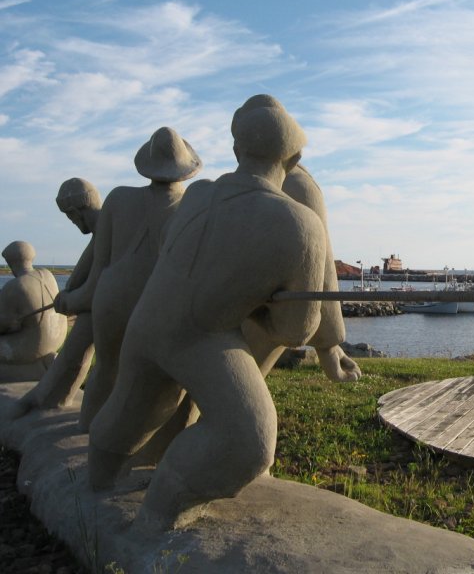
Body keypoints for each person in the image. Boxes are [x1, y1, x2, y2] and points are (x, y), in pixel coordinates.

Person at [88, 94, 355, 531]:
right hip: (201, 337)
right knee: (248, 439)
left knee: (131, 409)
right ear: (295, 157)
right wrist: (259, 306)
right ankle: (160, 511)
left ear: (236, 151)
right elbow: (295, 328)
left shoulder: (197, 193)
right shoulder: (300, 223)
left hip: (147, 321)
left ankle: (96, 482)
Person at [55, 127, 202, 431]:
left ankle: (88, 431)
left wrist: (71, 299)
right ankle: (145, 439)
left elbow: (99, 271)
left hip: (111, 298)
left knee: (107, 370)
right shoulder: (192, 207)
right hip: (155, 301)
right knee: (163, 376)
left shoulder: (119, 199)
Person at [242, 162, 362, 382]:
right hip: (255, 318)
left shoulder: (211, 193)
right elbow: (320, 268)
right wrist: (329, 346)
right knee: (247, 406)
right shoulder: (297, 185)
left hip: (202, 321)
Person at [15, 179, 102, 412]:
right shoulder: (101, 231)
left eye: (70, 217)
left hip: (116, 310)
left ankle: (49, 400)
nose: (72, 222)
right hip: (106, 308)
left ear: (75, 212)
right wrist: (69, 293)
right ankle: (50, 398)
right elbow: (81, 274)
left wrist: (72, 300)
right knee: (78, 346)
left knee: (84, 343)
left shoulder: (107, 229)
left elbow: (96, 285)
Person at [0, 241, 68, 383]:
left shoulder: (15, 286)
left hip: (32, 345)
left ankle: (32, 370)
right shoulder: (47, 274)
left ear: (11, 262)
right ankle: (43, 365)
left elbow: (3, 324)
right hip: (56, 338)